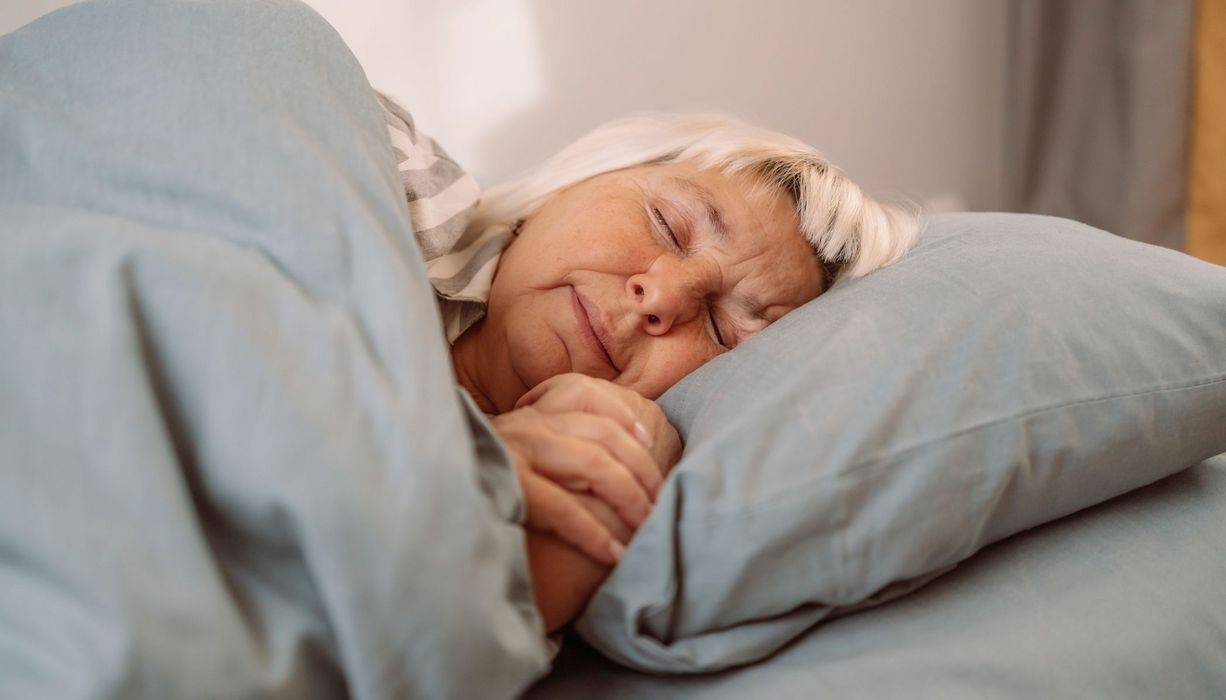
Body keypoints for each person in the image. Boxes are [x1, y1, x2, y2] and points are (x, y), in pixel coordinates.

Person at [379, 97, 922, 632]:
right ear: (582, 180)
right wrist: (441, 463)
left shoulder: (611, 460)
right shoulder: (388, 165)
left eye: (721, 330)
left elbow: (426, 649)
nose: (661, 298)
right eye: (667, 225)